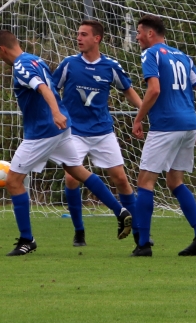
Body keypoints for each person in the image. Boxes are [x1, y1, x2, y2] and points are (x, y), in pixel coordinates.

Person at [0, 30, 132, 256]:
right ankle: (120, 211)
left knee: (13, 181)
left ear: (2, 49)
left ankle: (27, 240)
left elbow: (43, 88)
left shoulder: (21, 66)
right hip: (61, 129)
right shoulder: (35, 60)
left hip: (43, 132)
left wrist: (55, 113)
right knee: (77, 170)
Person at [52, 20, 143, 247]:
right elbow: (51, 90)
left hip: (102, 131)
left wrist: (144, 112)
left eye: (84, 34)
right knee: (71, 177)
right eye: (78, 34)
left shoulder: (110, 66)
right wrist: (54, 113)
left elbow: (128, 91)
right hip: (74, 131)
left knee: (121, 179)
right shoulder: (69, 64)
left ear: (97, 38)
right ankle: (79, 231)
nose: (79, 38)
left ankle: (138, 232)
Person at [130, 15, 196, 257]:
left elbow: (154, 89)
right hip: (187, 125)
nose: (137, 37)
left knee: (145, 182)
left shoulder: (151, 54)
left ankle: (143, 244)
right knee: (175, 181)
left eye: (139, 32)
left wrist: (139, 118)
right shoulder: (183, 56)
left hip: (166, 125)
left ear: (150, 34)